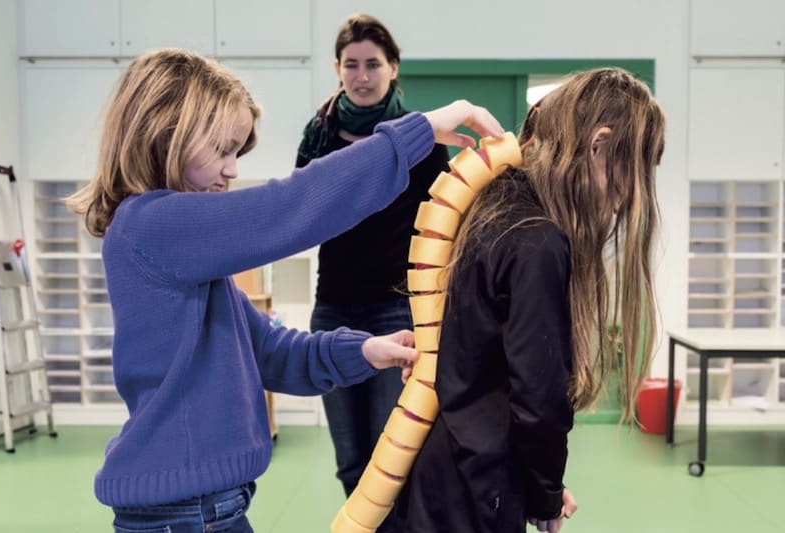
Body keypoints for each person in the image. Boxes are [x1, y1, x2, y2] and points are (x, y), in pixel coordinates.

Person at [64, 48, 504, 532]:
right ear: (165, 135)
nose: (232, 170)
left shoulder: (184, 248)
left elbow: (270, 352)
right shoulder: (150, 226)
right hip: (187, 517)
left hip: (210, 509)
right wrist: (416, 134)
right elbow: (290, 207)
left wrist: (368, 350)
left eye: (237, 152)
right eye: (222, 149)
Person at [397, 67, 666, 533]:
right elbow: (537, 399)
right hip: (479, 493)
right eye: (636, 167)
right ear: (599, 146)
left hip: (449, 469)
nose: (627, 197)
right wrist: (543, 494)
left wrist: (537, 482)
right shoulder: (538, 240)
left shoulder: (497, 209)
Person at [295, 15, 449, 531]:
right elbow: (301, 209)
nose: (362, 76)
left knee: (393, 458)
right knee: (350, 461)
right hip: (333, 307)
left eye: (373, 64)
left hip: (394, 308)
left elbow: (446, 221)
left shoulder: (422, 139)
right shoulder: (316, 138)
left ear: (393, 68)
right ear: (337, 69)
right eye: (352, 65)